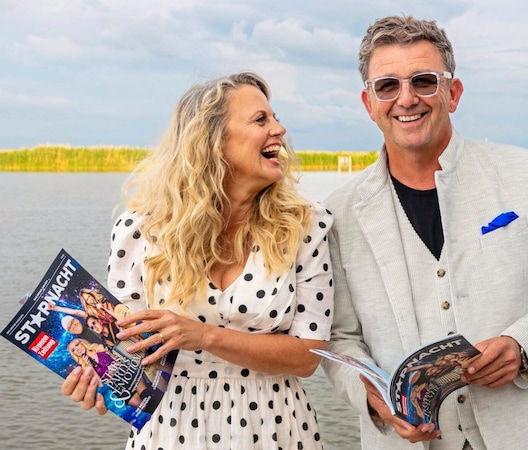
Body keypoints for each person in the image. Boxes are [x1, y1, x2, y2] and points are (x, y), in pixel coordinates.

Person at [321, 15, 528, 449]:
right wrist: (376, 402)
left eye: (423, 81)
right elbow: (341, 340)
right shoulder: (337, 212)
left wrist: (522, 345)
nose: (407, 99)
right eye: (388, 86)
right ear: (368, 103)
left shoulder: (526, 174)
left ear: (452, 94)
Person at [61, 72, 333, 449]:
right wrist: (101, 383)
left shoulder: (307, 224)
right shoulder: (138, 230)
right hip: (169, 430)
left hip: (275, 428)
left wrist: (204, 336)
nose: (280, 129)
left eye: (275, 117)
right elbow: (129, 351)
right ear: (213, 141)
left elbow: (308, 356)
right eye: (261, 120)